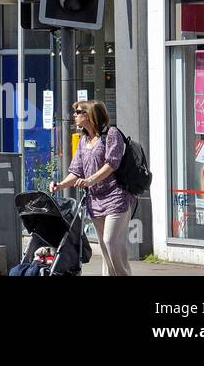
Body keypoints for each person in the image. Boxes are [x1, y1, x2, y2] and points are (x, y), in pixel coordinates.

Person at [51, 99, 136, 276]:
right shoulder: (84, 140)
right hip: (95, 200)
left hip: (116, 196)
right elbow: (76, 171)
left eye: (79, 112)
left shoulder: (111, 134)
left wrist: (90, 180)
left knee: (111, 242)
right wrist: (60, 185)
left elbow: (112, 164)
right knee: (105, 248)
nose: (74, 115)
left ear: (90, 114)